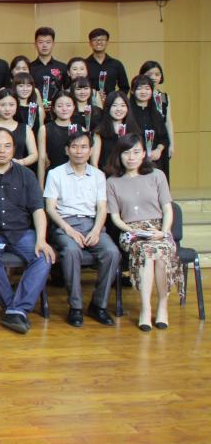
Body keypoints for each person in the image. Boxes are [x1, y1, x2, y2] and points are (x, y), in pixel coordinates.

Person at [0, 128, 55, 334]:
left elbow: (38, 210)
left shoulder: (27, 174)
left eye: (7, 146)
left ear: (14, 149)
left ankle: (15, 309)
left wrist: (41, 239)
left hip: (21, 231)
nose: (2, 151)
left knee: (45, 256)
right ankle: (15, 310)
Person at [43, 131, 120, 327]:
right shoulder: (55, 173)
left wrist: (96, 230)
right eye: (74, 147)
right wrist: (68, 229)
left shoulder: (98, 175)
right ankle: (75, 307)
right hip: (64, 224)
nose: (79, 151)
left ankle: (98, 305)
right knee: (71, 251)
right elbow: (50, 208)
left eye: (84, 147)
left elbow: (102, 207)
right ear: (67, 150)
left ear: (91, 150)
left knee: (112, 253)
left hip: (92, 224)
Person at [105, 134, 180, 331]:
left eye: (136, 152)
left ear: (144, 153)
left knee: (161, 251)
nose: (131, 157)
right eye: (126, 153)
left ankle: (162, 306)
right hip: (131, 231)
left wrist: (164, 232)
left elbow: (167, 209)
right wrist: (133, 230)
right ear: (119, 155)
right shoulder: (112, 182)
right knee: (146, 252)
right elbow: (115, 217)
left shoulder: (157, 175)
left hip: (158, 229)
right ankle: (145, 309)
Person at [0, 89, 38, 168]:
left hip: (17, 170)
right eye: (3, 105)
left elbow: (34, 155)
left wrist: (21, 162)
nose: (7, 109)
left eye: (11, 105)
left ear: (17, 106)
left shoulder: (26, 128)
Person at [140, 60, 174, 181]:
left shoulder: (164, 97)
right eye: (149, 74)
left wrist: (171, 144)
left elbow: (168, 121)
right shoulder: (141, 95)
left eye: (157, 74)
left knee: (163, 174)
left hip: (162, 141)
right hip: (146, 141)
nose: (153, 77)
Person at [129, 75, 169, 172]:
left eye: (147, 88)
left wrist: (158, 150)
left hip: (153, 160)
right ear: (132, 91)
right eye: (139, 88)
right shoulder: (127, 112)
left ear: (151, 91)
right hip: (132, 159)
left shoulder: (156, 114)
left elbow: (164, 138)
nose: (143, 92)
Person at [38, 92, 78, 189]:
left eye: (68, 105)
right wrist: (40, 186)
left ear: (74, 107)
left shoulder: (81, 130)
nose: (64, 109)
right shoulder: (45, 129)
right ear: (53, 109)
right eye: (60, 106)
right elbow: (42, 159)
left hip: (75, 178)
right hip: (52, 177)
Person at [93, 91, 140, 170]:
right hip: (105, 174)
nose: (119, 109)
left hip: (128, 174)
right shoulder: (99, 133)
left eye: (123, 105)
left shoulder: (134, 132)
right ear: (108, 108)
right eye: (114, 105)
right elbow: (94, 164)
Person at [85, 28, 129, 102]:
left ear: (107, 42)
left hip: (111, 104)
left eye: (102, 39)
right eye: (95, 40)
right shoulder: (84, 64)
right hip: (90, 104)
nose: (99, 42)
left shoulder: (116, 64)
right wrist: (93, 96)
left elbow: (124, 87)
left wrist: (115, 99)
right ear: (90, 43)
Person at [28, 27, 68, 104]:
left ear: (53, 44)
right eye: (41, 42)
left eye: (48, 42)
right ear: (35, 44)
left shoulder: (62, 67)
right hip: (34, 107)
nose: (44, 45)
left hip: (57, 108)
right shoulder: (29, 68)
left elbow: (67, 90)